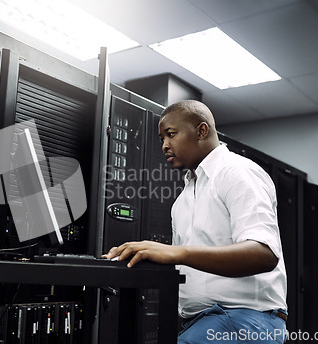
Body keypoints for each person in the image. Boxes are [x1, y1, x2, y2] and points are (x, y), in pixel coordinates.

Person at [103, 100, 288, 343]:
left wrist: (175, 253)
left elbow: (264, 253)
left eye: (171, 135)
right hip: (203, 321)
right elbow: (185, 262)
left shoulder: (237, 172)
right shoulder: (182, 200)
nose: (165, 146)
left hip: (244, 319)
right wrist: (139, 256)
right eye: (161, 139)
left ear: (201, 131)